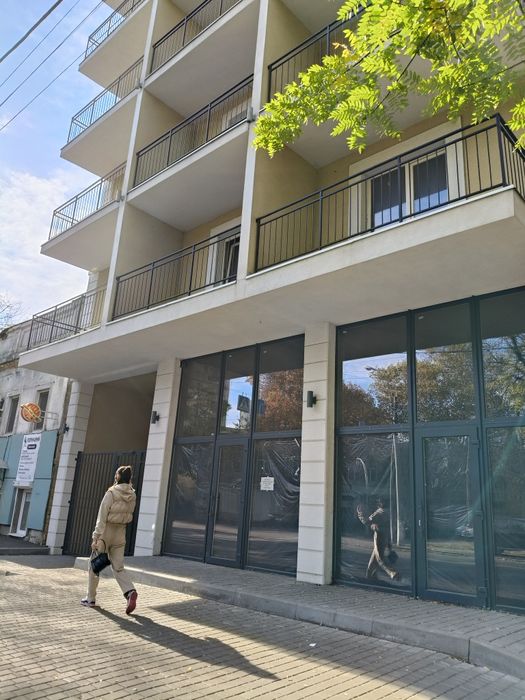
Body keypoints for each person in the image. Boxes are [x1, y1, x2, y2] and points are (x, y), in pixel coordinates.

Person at [81, 465, 138, 614]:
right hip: (121, 532)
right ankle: (130, 591)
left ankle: (90, 598)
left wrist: (95, 537)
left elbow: (102, 517)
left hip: (106, 532)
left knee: (94, 564)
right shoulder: (133, 495)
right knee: (118, 567)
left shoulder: (111, 493)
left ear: (117, 477)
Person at [357, 498, 400, 582]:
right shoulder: (389, 511)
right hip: (385, 534)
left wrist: (360, 514)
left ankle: (392, 573)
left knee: (380, 559)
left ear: (380, 503)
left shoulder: (380, 512)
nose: (377, 503)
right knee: (374, 559)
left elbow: (367, 521)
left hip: (379, 535)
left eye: (378, 502)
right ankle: (370, 576)